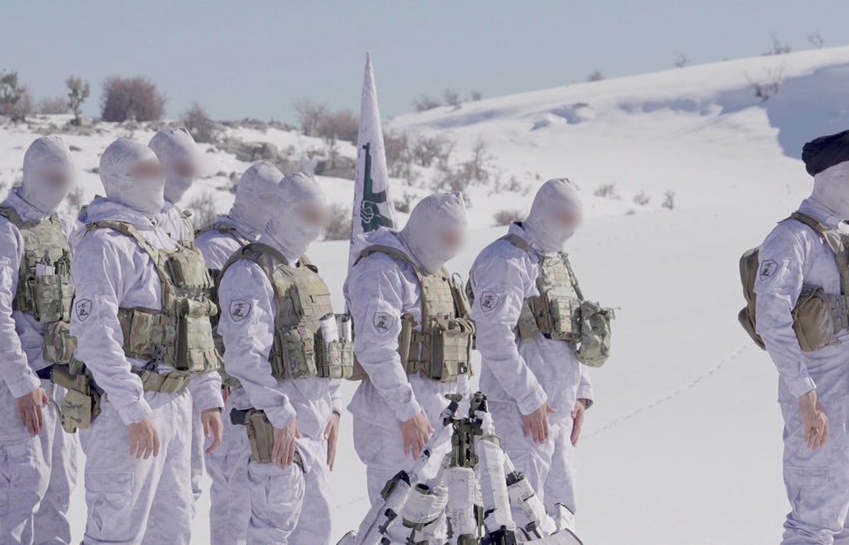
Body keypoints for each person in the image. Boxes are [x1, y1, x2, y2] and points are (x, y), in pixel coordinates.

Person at [753, 129, 849, 545]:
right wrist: (804, 395)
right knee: (814, 521)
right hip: (822, 399)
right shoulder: (793, 238)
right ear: (830, 177)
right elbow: (771, 319)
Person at [69, 138, 224, 545]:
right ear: (119, 179)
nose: (158, 179)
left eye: (159, 170)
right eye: (146, 172)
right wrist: (134, 409)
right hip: (128, 410)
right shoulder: (103, 243)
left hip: (177, 403)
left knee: (173, 528)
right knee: (116, 530)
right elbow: (95, 335)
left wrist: (207, 395)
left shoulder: (166, 238)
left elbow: (195, 323)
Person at [216, 172, 345, 544]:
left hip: (313, 429)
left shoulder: (306, 272)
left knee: (314, 533)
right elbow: (243, 355)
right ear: (282, 211)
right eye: (307, 213)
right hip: (274, 427)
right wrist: (280, 413)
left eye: (321, 214)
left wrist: (334, 407)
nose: (315, 223)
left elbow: (329, 346)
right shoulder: (250, 272)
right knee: (270, 532)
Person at [0, 136, 79, 544]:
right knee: (18, 501)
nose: (58, 186)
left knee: (58, 498)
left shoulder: (59, 227)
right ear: (29, 174)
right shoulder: (0, 228)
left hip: (62, 391)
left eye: (64, 179)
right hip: (22, 392)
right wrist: (22, 383)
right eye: (50, 177)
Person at [468, 179, 599, 525]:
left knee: (561, 511)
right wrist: (529, 398)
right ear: (542, 212)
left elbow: (572, 331)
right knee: (519, 515)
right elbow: (493, 338)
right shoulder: (506, 261)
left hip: (557, 413)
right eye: (562, 218)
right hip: (518, 414)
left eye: (575, 220)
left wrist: (581, 395)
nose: (569, 228)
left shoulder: (555, 263)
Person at [345, 193, 473, 517]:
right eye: (445, 238)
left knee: (435, 526)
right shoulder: (381, 269)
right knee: (396, 526)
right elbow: (376, 349)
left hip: (437, 424)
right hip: (395, 427)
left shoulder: (440, 276)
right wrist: (408, 412)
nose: (450, 248)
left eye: (456, 240)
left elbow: (457, 352)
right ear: (425, 229)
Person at [194, 160, 286, 545]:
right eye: (268, 200)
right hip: (229, 391)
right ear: (247, 197)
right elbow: (202, 322)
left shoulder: (273, 248)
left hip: (265, 391)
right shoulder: (214, 247)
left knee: (269, 498)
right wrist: (216, 383)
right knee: (233, 494)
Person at [148, 127, 223, 523]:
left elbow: (197, 317)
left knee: (180, 505)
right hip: (138, 393)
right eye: (178, 166)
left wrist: (208, 396)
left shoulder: (180, 225)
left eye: (190, 168)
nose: (187, 177)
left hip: (181, 392)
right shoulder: (119, 225)